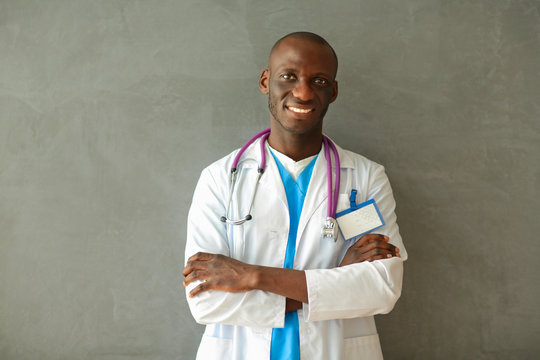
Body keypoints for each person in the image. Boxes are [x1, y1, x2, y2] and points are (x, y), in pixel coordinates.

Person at [183, 32, 407, 360]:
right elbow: (205, 300)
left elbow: (381, 289)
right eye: (288, 76)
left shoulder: (366, 177)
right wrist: (333, 282)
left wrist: (251, 276)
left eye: (318, 80)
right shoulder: (219, 179)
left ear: (333, 91)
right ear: (265, 81)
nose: (302, 92)